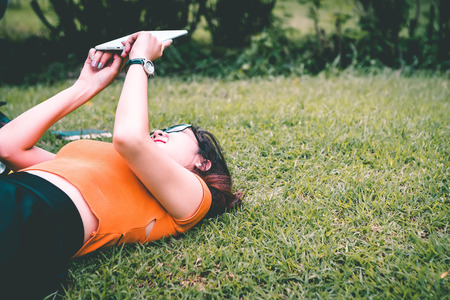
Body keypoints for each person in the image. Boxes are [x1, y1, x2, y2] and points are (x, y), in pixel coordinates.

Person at [0, 31, 242, 298]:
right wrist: (85, 86)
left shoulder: (195, 196)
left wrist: (140, 61)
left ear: (203, 162)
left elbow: (129, 138)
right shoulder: (99, 158)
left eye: (176, 131)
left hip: (32, 217)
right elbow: (8, 145)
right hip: (13, 189)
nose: (160, 132)